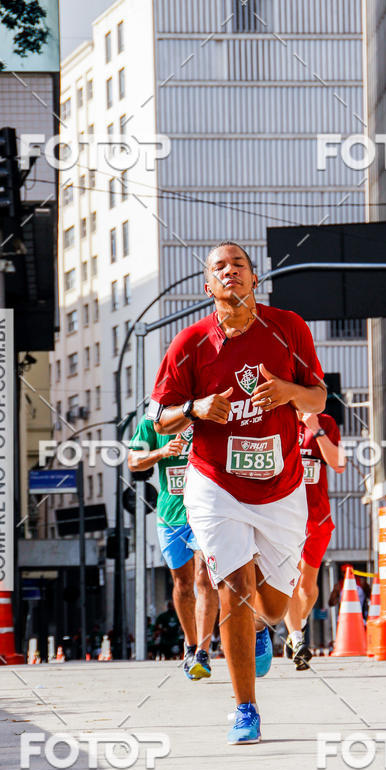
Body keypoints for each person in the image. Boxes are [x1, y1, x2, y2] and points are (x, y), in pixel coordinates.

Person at [149, 240, 326, 744]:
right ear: (209, 286)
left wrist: (290, 393)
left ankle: (264, 628)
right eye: (219, 268)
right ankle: (245, 708)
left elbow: (317, 395)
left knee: (270, 605)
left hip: (281, 486)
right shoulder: (190, 343)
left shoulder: (288, 326)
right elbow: (160, 420)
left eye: (239, 265)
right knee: (234, 588)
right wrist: (197, 409)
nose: (230, 272)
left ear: (254, 280)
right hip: (215, 485)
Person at [128, 417, 219, 679]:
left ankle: (203, 651)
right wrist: (162, 452)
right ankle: (190, 646)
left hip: (205, 513)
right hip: (170, 516)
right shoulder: (152, 423)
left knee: (205, 579)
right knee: (182, 583)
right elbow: (134, 462)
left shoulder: (205, 413)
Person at [284, 410, 347, 670]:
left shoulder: (326, 421)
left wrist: (316, 429)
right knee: (289, 580)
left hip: (316, 517)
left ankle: (298, 624)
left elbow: (339, 464)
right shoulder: (278, 417)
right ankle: (298, 639)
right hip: (284, 514)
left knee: (308, 589)